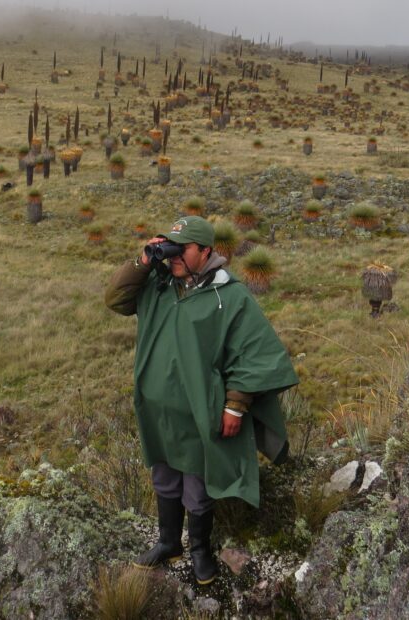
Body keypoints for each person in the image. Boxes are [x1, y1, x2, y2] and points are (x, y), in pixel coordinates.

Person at [105, 215, 298, 585]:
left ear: (206, 251)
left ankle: (199, 551)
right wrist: (145, 260)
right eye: (171, 248)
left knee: (197, 482)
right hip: (159, 411)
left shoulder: (229, 295)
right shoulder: (157, 287)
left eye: (183, 249)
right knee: (164, 475)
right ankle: (167, 543)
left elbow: (254, 354)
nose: (174, 256)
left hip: (200, 411)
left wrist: (235, 406)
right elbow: (115, 298)